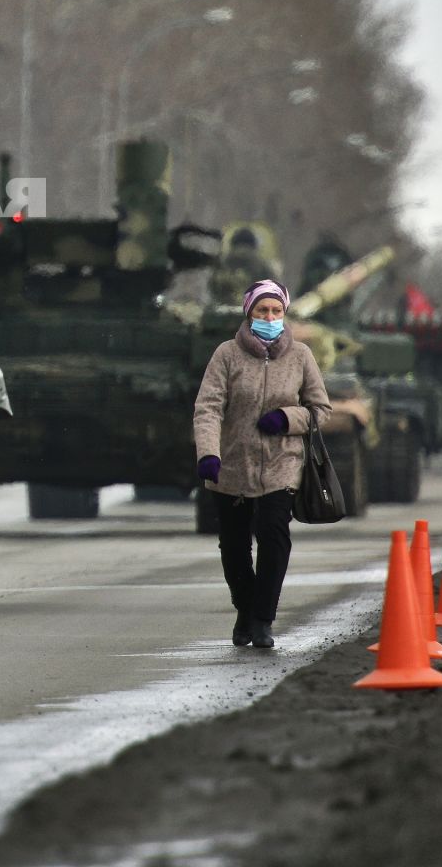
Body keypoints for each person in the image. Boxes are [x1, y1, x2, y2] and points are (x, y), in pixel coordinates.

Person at [192, 278, 331, 650]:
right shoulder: (226, 355)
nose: (269, 317)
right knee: (234, 546)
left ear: (284, 313)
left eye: (276, 311)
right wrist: (209, 453)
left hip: (281, 463)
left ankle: (263, 619)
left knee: (273, 536)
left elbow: (321, 410)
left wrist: (288, 419)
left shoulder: (300, 355)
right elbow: (208, 407)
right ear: (249, 313)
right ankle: (245, 608)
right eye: (262, 310)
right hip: (232, 465)